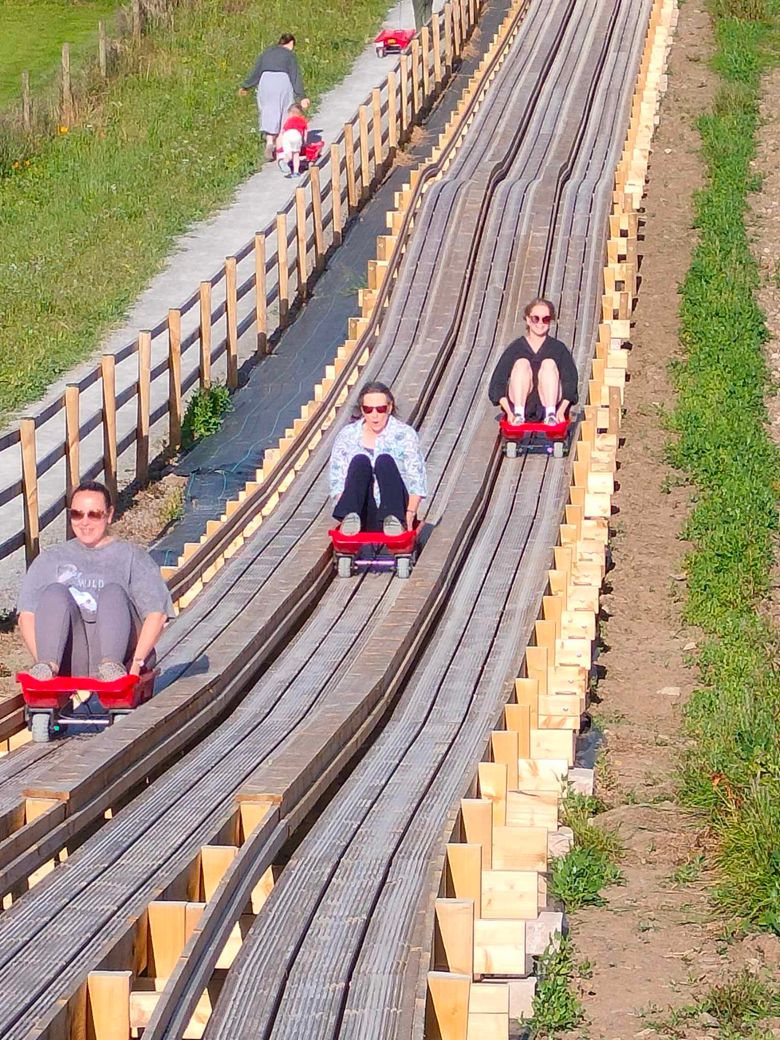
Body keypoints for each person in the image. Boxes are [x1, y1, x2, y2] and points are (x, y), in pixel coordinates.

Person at [17, 480, 175, 683]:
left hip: (122, 654)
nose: (84, 522)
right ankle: (49, 665)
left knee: (113, 594)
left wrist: (136, 665)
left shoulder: (131, 556)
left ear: (108, 515)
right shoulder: (51, 559)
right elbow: (26, 615)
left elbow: (156, 614)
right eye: (77, 514)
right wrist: (42, 659)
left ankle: (111, 666)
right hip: (73, 653)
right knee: (55, 592)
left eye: (94, 514)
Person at [330, 382, 427, 536]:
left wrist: (410, 514)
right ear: (362, 410)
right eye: (368, 410)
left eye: (380, 409)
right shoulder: (347, 436)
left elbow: (416, 478)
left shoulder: (405, 435)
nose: (374, 415)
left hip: (395, 506)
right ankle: (351, 519)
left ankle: (394, 521)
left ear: (389, 408)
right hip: (364, 507)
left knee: (384, 461)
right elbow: (338, 480)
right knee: (360, 461)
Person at [488, 298, 579, 425]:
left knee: (549, 364)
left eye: (546, 319)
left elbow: (570, 382)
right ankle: (519, 414)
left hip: (549, 401)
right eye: (535, 318)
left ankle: (550, 414)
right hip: (521, 403)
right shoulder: (516, 348)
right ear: (528, 320)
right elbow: (497, 383)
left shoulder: (558, 349)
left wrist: (562, 410)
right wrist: (509, 412)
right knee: (521, 364)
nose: (540, 323)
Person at [238, 34, 311, 161]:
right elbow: (295, 76)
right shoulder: (290, 55)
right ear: (291, 43)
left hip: (265, 82)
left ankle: (269, 142)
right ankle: (280, 148)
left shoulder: (266, 53)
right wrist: (301, 96)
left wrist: (246, 86)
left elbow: (256, 71)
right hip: (282, 82)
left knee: (268, 110)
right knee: (284, 111)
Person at [276, 102, 309, 178]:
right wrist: (304, 142)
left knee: (288, 153)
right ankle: (296, 172)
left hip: (288, 135)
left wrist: (280, 146)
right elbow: (305, 133)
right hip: (297, 135)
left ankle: (284, 161)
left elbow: (283, 132)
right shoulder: (302, 121)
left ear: (290, 113)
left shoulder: (289, 121)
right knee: (296, 154)